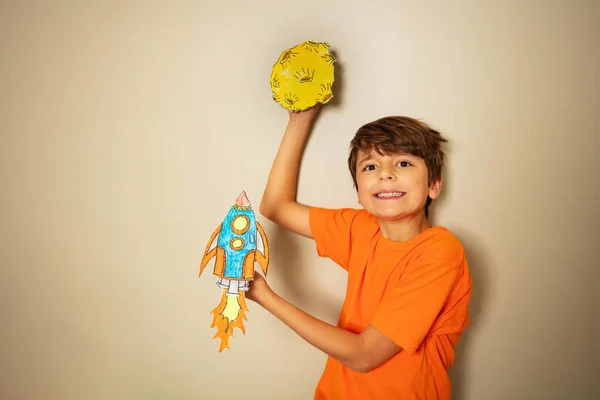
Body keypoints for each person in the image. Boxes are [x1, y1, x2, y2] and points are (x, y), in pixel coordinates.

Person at [247, 104, 472, 400]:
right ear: (358, 190)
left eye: (403, 163)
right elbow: (275, 207)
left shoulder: (440, 253)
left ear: (434, 184)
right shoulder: (361, 228)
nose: (385, 175)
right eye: (370, 166)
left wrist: (265, 296)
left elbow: (365, 355)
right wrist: (299, 121)